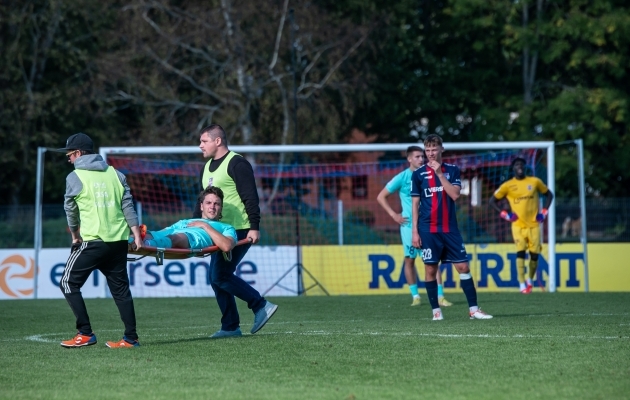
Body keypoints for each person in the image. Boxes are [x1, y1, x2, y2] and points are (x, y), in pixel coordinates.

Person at [57, 133, 143, 348]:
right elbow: (127, 206)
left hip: (93, 241)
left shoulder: (75, 176)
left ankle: (85, 333)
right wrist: (136, 234)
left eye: (69, 155)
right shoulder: (116, 174)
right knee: (121, 291)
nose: (68, 159)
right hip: (118, 242)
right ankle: (130, 339)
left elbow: (71, 210)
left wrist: (75, 235)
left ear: (78, 153)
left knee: (68, 283)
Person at [197, 124, 277, 338]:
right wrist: (194, 227)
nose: (200, 146)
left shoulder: (237, 163)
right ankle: (230, 326)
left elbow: (250, 196)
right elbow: (204, 203)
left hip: (239, 229)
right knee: (216, 278)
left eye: (204, 141)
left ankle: (260, 305)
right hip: (217, 232)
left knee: (220, 275)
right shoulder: (206, 168)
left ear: (217, 141)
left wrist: (254, 226)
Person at [411, 134, 493, 321]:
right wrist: (414, 231)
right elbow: (415, 204)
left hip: (450, 229)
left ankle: (473, 309)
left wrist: (439, 174)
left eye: (434, 149)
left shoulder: (453, 170)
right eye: (428, 150)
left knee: (463, 267)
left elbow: (455, 195)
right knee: (430, 270)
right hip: (428, 229)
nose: (430, 153)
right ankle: (436, 312)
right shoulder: (418, 175)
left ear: (442, 149)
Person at [377, 146, 453, 307]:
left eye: (422, 156)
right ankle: (415, 296)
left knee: (432, 261)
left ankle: (440, 296)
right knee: (409, 260)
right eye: (417, 156)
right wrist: (394, 215)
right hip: (408, 226)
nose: (421, 159)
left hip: (427, 224)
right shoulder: (402, 177)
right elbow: (381, 196)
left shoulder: (429, 174)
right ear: (409, 159)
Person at [489, 157, 554, 294]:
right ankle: (521, 283)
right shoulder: (507, 185)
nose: (519, 166)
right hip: (518, 225)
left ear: (525, 167)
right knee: (520, 252)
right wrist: (506, 215)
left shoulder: (534, 182)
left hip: (534, 225)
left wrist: (544, 212)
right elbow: (492, 201)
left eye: (521, 164)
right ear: (513, 168)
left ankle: (530, 280)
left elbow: (549, 195)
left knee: (535, 255)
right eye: (517, 164)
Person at [140, 187, 237, 253]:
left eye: (216, 204)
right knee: (150, 234)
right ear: (201, 206)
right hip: (173, 234)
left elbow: (227, 246)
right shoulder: (185, 222)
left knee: (175, 237)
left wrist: (205, 226)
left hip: (191, 239)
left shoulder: (226, 228)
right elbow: (160, 233)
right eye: (208, 203)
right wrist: (146, 236)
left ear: (221, 207)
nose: (212, 207)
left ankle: (146, 245)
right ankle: (130, 242)